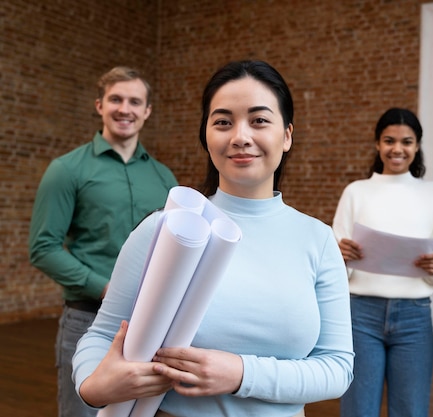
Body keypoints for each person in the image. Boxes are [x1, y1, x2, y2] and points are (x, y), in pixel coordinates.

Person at [72, 60, 354, 417]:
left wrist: (240, 373)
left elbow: (336, 368)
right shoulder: (165, 229)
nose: (240, 136)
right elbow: (103, 335)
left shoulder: (318, 239)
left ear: (286, 136)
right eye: (222, 122)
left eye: (259, 120)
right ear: (206, 136)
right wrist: (93, 387)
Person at [28, 66, 177, 417]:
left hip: (148, 324)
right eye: (116, 99)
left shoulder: (163, 177)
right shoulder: (67, 170)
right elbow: (43, 247)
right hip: (86, 321)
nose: (125, 108)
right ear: (100, 105)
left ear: (147, 111)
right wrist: (105, 287)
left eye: (134, 101)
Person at [332, 108, 433, 417]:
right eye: (389, 140)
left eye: (407, 142)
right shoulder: (356, 192)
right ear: (377, 144)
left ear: (417, 146)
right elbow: (334, 262)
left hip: (415, 316)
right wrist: (342, 256)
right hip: (361, 314)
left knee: (410, 409)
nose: (397, 149)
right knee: (359, 409)